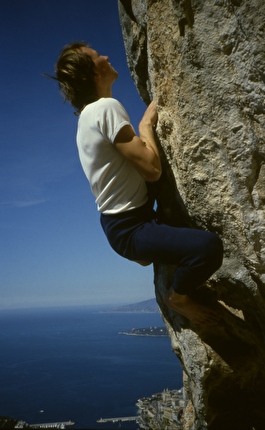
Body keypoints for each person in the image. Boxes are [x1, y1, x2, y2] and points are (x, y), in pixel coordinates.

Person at [51, 41, 223, 326]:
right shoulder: (105, 108)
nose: (106, 55)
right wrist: (145, 128)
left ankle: (146, 252)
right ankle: (177, 298)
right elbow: (152, 170)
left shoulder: (85, 119)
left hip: (119, 223)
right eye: (97, 57)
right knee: (208, 248)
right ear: (94, 75)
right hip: (131, 228)